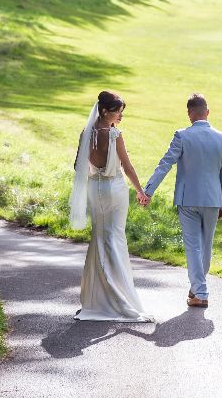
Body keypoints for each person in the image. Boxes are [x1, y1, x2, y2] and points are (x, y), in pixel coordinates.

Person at [69, 90, 154, 322]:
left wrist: (94, 171)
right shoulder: (115, 134)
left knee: (99, 237)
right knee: (115, 238)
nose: (121, 116)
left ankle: (95, 299)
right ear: (105, 111)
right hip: (114, 189)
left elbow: (78, 165)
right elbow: (127, 167)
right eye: (118, 112)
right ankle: (120, 297)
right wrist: (141, 191)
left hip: (94, 188)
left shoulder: (86, 132)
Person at [142, 92, 222, 308]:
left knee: (193, 247)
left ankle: (200, 292)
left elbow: (165, 164)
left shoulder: (182, 136)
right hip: (213, 200)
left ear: (189, 114)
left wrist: (148, 190)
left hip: (188, 199)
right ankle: (197, 287)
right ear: (207, 112)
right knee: (206, 246)